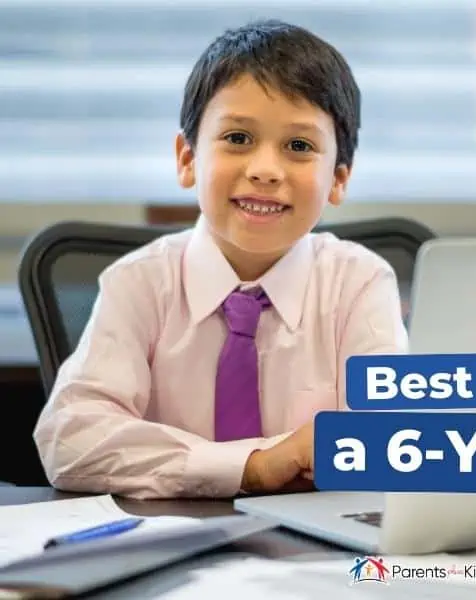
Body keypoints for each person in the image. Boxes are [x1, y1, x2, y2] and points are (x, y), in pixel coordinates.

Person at [32, 19, 408, 500]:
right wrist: (253, 466)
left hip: (318, 552)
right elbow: (71, 438)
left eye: (299, 146)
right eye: (237, 138)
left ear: (338, 179)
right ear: (187, 159)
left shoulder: (360, 283)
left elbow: (389, 440)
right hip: (170, 546)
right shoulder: (138, 284)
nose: (265, 170)